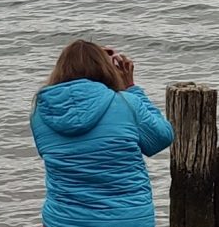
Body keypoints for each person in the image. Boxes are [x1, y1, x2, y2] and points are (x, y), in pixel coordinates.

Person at [30, 39, 174, 227]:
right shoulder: (127, 102)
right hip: (126, 219)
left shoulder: (40, 113)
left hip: (64, 220)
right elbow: (161, 138)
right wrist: (132, 88)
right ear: (105, 68)